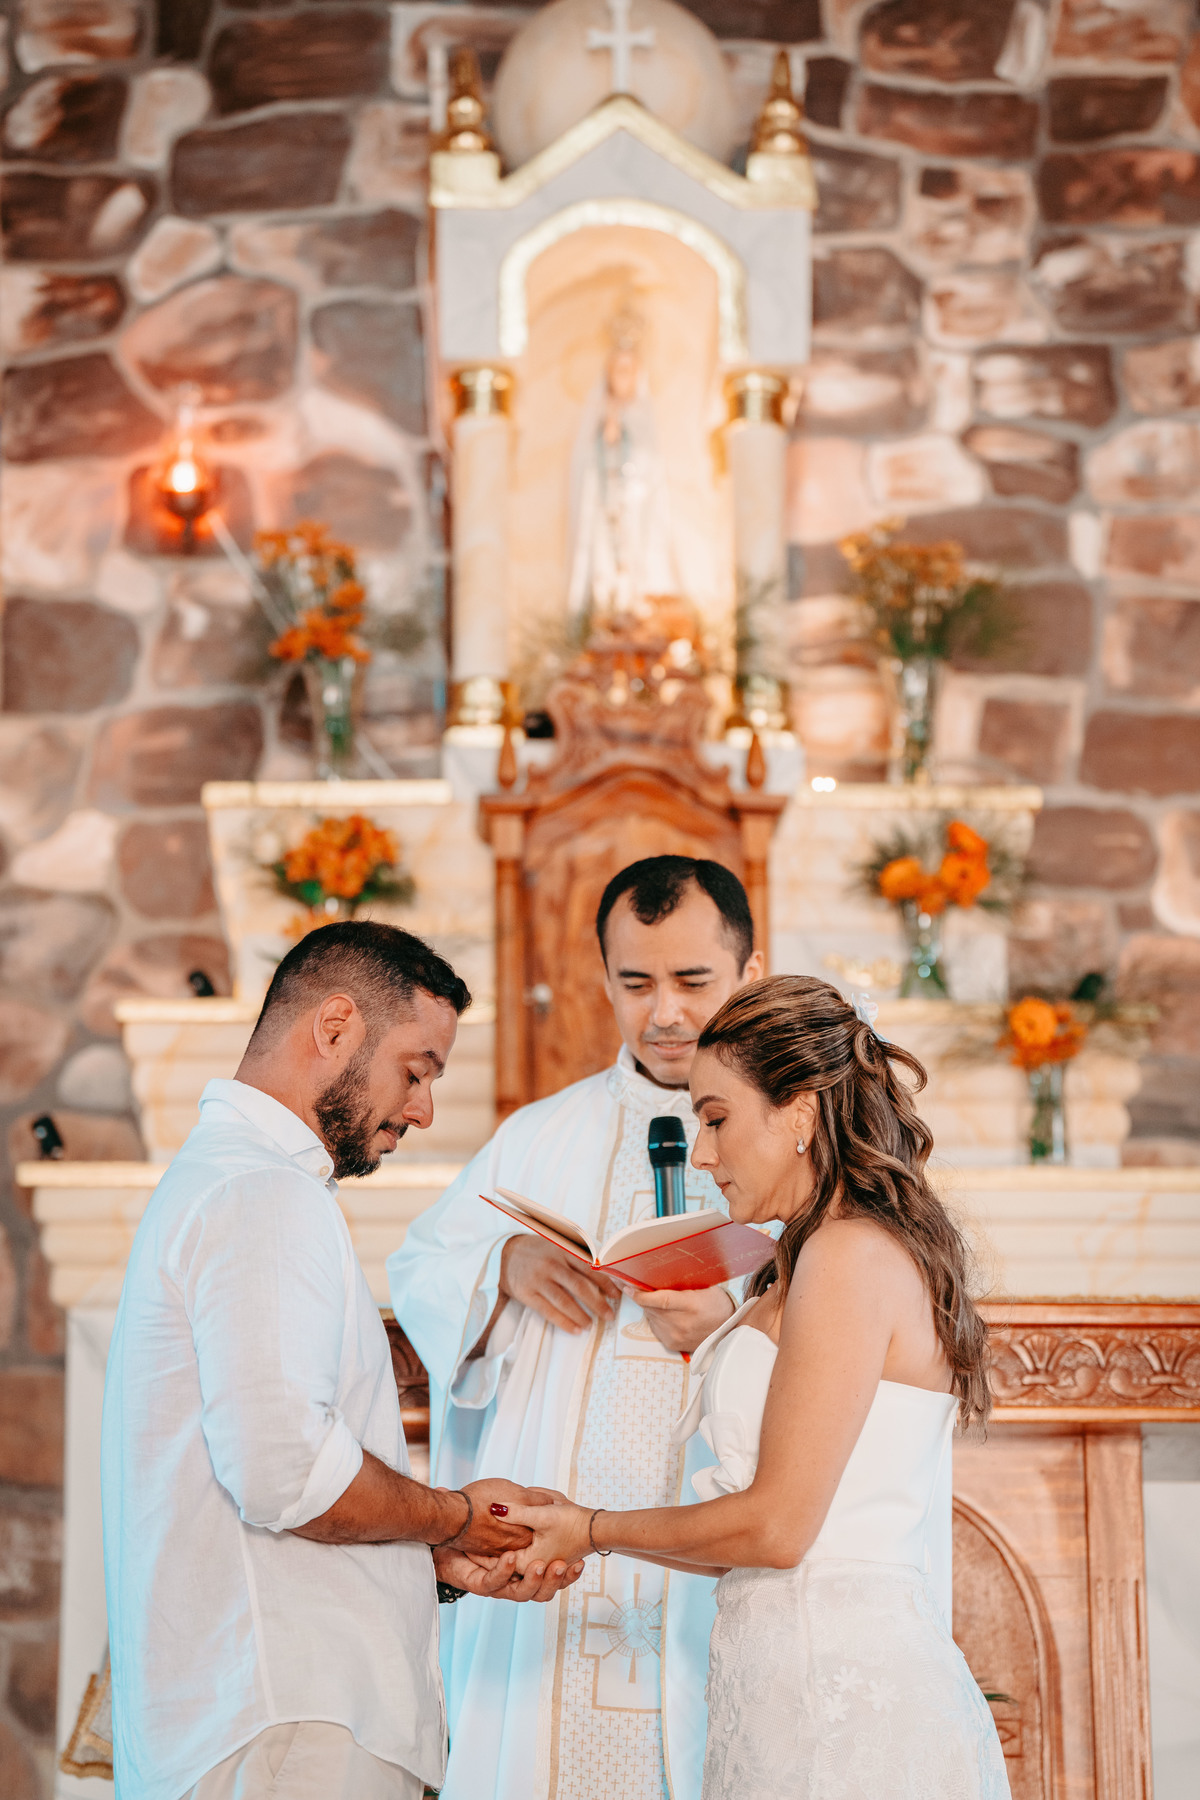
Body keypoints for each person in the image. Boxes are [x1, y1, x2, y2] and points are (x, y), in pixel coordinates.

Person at [101, 922, 581, 1800]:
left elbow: (263, 1481)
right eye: (416, 1070)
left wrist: (429, 1559)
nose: (422, 1110)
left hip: (278, 1716)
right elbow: (286, 1473)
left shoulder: (238, 1181)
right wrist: (452, 1518)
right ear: (334, 1027)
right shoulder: (262, 1192)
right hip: (291, 1725)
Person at [508, 975, 1012, 1800]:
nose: (702, 1155)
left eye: (716, 1119)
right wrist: (580, 1531)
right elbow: (759, 1536)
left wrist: (591, 1528)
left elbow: (778, 1528)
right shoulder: (806, 1260)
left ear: (801, 1114)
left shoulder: (846, 1255)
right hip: (785, 1685)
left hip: (841, 1706)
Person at [387, 856, 764, 1800]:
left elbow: (843, 1325)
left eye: (693, 981)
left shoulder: (794, 1138)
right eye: (635, 983)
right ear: (604, 980)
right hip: (553, 1572)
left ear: (749, 973)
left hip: (716, 1544)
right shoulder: (540, 1136)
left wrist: (728, 1326)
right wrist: (501, 1267)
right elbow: (422, 1267)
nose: (664, 1013)